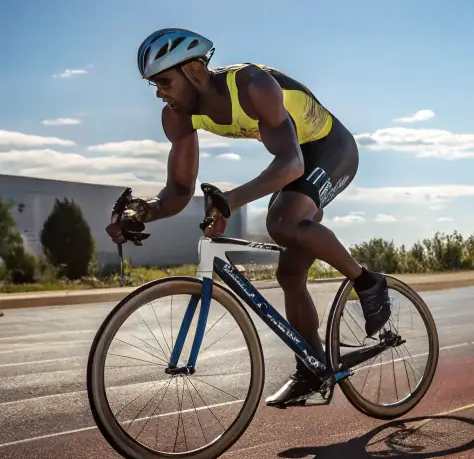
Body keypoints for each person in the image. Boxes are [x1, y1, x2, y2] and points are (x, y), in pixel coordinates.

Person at [108, 27, 391, 407]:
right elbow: (177, 191)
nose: (159, 92)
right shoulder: (176, 116)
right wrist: (142, 212)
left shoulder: (253, 85)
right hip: (296, 161)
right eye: (153, 85)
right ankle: (312, 367)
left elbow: (292, 163)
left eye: (163, 81)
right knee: (289, 275)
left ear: (193, 71)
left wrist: (231, 200)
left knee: (283, 223)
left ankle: (367, 282)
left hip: (330, 148)